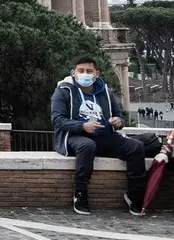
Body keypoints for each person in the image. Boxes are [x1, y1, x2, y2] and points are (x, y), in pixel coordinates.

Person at [52, 55, 145, 216]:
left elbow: (119, 116)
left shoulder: (106, 92)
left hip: (104, 136)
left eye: (89, 71)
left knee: (136, 147)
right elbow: (57, 120)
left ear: (97, 73)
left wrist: (118, 121)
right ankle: (80, 194)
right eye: (81, 71)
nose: (85, 74)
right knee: (87, 146)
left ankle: (134, 196)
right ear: (73, 73)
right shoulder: (63, 91)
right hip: (75, 137)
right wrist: (82, 126)